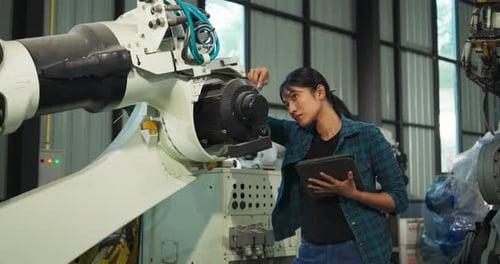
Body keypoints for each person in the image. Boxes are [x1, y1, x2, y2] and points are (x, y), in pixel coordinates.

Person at [247, 67, 409, 264]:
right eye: (286, 103)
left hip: (359, 251)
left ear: (320, 92)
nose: (291, 109)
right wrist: (253, 90)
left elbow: (398, 199)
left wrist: (355, 194)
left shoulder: (367, 136)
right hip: (310, 251)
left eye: (295, 97)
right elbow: (253, 119)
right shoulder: (296, 135)